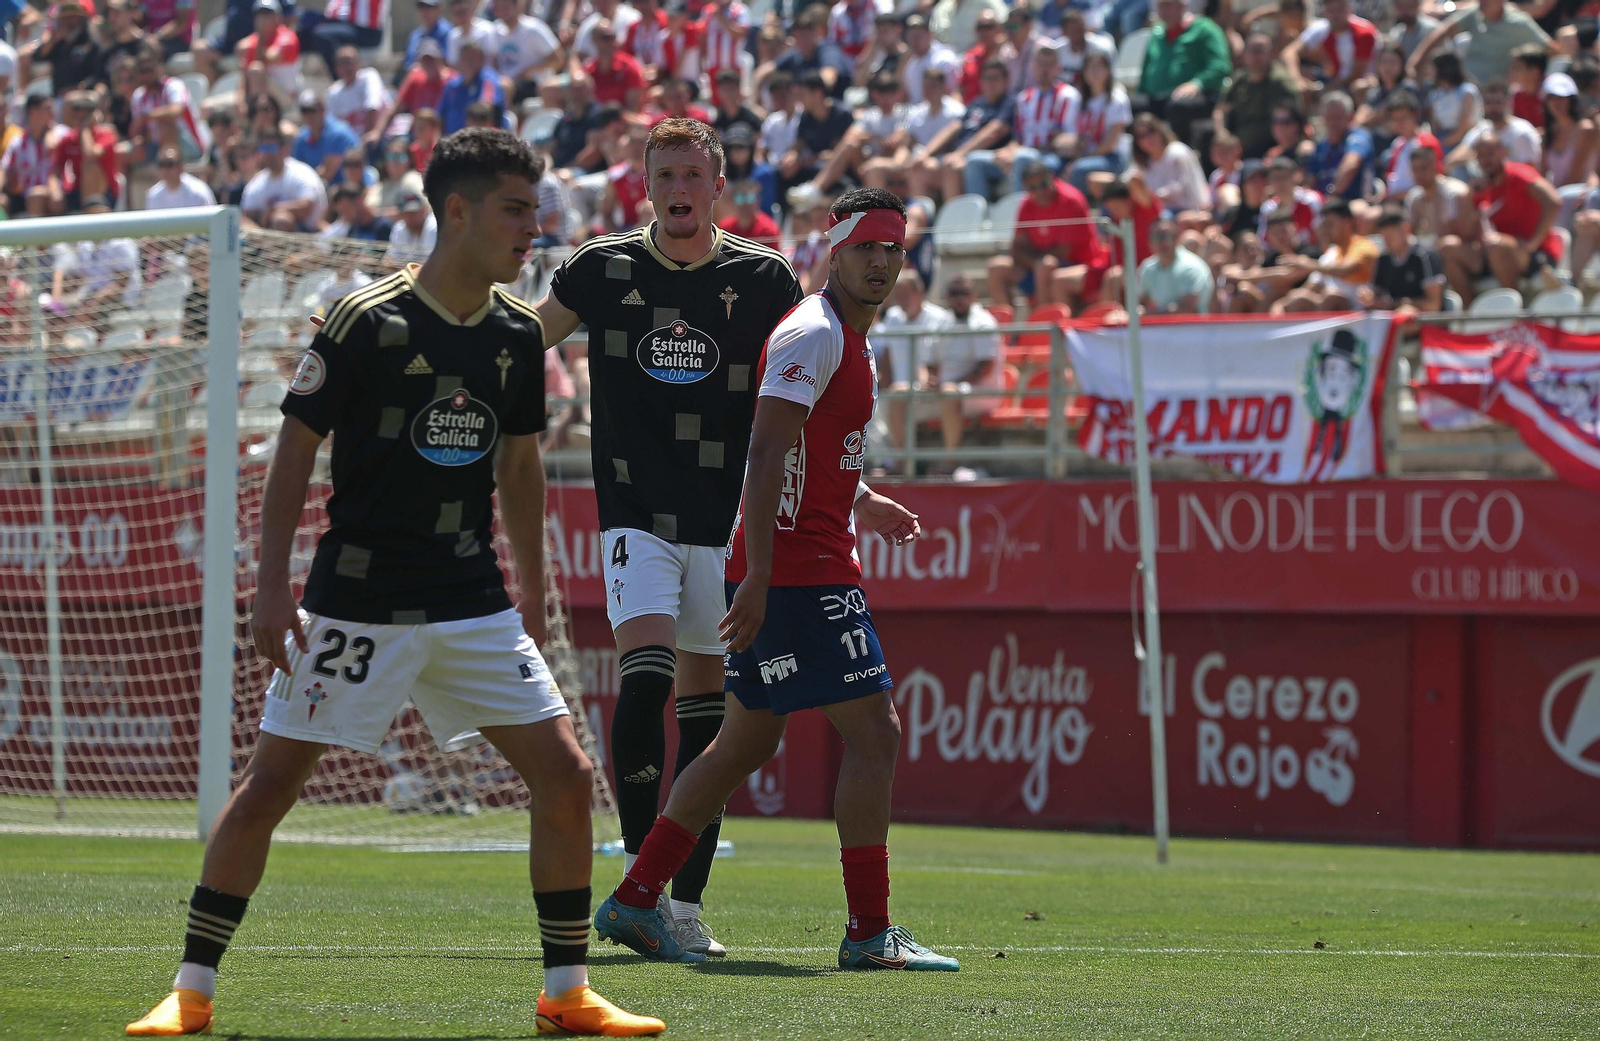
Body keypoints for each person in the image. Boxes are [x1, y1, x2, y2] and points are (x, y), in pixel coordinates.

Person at [124, 127, 665, 1041]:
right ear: (456, 212)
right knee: (269, 788)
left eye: (536, 211)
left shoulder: (514, 335)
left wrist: (530, 587)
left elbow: (521, 466)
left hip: (470, 597)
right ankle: (191, 989)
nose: (533, 229)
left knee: (567, 779)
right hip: (355, 599)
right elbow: (295, 446)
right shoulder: (363, 320)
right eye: (515, 210)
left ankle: (566, 992)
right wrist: (269, 586)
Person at [593, 188, 958, 975]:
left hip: (793, 566)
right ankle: (869, 930)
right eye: (867, 248)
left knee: (740, 743)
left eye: (894, 251)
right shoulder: (813, 332)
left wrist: (865, 496)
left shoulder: (842, 336)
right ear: (836, 252)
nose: (881, 263)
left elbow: (801, 453)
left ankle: (634, 895)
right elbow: (762, 454)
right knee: (876, 734)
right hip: (800, 572)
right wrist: (756, 575)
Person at [534, 119, 803, 961]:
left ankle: (677, 902)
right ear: (645, 186)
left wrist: (854, 486)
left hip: (724, 522)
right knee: (643, 681)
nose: (679, 186)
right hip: (635, 510)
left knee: (708, 716)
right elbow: (521, 338)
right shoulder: (601, 268)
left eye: (694, 172)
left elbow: (803, 392)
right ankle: (640, 887)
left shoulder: (764, 279)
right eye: (665, 174)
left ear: (718, 185)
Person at [885, 272, 1003, 477]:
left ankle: (950, 461)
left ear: (974, 296)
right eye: (955, 294)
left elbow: (985, 367)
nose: (960, 298)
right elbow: (930, 362)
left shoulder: (983, 322)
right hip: (946, 389)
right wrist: (929, 381)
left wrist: (948, 384)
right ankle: (901, 460)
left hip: (982, 392)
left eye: (964, 293)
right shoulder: (944, 322)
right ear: (947, 297)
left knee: (949, 393)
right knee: (897, 392)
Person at [1439, 134, 1562, 301]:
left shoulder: (1518, 174)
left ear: (1503, 152)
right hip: (1492, 252)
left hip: (1532, 253)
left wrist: (1532, 244)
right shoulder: (1481, 188)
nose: (1485, 159)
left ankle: (1515, 310)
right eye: (1480, 155)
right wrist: (1469, 197)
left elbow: (1553, 201)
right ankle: (1469, 313)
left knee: (1495, 244)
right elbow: (1466, 233)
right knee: (1448, 246)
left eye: (1490, 153)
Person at [988, 163, 1109, 309]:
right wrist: (1032, 260)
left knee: (1045, 265)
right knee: (997, 267)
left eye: (1043, 184)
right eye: (1033, 188)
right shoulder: (1027, 205)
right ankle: (1006, 329)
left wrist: (1032, 258)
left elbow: (1065, 252)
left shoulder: (1070, 201)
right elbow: (1017, 247)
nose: (1040, 191)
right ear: (1026, 188)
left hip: (1078, 266)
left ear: (1051, 178)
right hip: (1035, 264)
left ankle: (1042, 326)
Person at [1137, 0, 1231, 147]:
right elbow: (1146, 71)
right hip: (1160, 98)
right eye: (1161, 5)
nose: (1165, 10)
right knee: (1130, 105)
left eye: (1170, 5)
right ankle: (1142, 159)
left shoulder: (1205, 29)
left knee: (1178, 107)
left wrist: (1197, 84)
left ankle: (1182, 153)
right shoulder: (1157, 33)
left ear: (1183, 6)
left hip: (1200, 95)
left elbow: (1220, 66)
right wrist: (1140, 93)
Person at [1406, 0, 1554, 90]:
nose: (1482, 2)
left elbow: (1551, 49)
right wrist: (1416, 61)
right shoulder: (1475, 13)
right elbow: (1444, 31)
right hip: (1465, 88)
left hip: (1495, 94)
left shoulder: (1519, 24)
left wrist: (1521, 68)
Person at [1273, 199, 1378, 312]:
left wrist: (1307, 264)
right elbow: (1310, 289)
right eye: (1325, 225)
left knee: (1331, 297)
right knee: (1299, 298)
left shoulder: (1364, 246)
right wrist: (1281, 304)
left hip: (1357, 314)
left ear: (1347, 222)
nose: (1326, 230)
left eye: (1330, 224)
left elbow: (1344, 270)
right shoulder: (1331, 254)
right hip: (1329, 310)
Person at [1214, 33, 1298, 160]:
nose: (1256, 56)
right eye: (1252, 51)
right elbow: (1220, 110)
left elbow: (1294, 121)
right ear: (1244, 54)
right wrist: (1222, 134)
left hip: (1269, 145)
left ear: (1272, 53)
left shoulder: (1280, 82)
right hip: (1239, 144)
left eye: (1261, 51)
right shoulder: (1239, 79)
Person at [241, 123, 329, 232]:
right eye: (264, 148)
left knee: (281, 219)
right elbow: (247, 214)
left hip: (307, 234)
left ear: (284, 149)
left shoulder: (300, 172)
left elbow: (305, 208)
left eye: (272, 148)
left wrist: (272, 210)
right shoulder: (257, 182)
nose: (268, 153)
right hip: (267, 236)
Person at [1450, 79, 1541, 171]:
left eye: (1498, 102)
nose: (1493, 107)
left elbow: (1530, 170)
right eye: (1488, 102)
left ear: (1508, 103)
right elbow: (1459, 153)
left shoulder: (1522, 132)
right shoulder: (1483, 128)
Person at [1372, 207, 1444, 314]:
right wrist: (1371, 298)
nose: (1386, 241)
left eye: (1390, 236)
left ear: (1405, 229)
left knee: (1406, 313)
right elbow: (1377, 293)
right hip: (1393, 319)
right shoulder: (1383, 259)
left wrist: (1397, 304)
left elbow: (1433, 305)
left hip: (1426, 324)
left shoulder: (1425, 256)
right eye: (1384, 237)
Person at [1305, 92, 1373, 203]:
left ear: (1350, 117)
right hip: (1324, 204)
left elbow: (1351, 164)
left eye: (1338, 117)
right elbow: (1311, 180)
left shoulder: (1358, 137)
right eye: (1329, 117)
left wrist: (1333, 195)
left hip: (1352, 202)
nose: (1333, 122)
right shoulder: (1321, 146)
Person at [1137, 219, 1213, 313]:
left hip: (1193, 326)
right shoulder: (1147, 268)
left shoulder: (1191, 267)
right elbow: (1142, 303)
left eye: (1166, 236)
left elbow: (1186, 310)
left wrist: (1151, 314)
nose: (1162, 242)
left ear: (1177, 239)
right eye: (1157, 237)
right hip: (1160, 326)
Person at [1402, 143, 1471, 245]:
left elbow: (1452, 232)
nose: (1419, 174)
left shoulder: (1453, 192)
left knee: (1448, 243)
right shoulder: (1413, 197)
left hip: (1459, 247)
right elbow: (1410, 230)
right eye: (1415, 169)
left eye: (1424, 168)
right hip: (1431, 248)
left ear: (1435, 166)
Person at [1539, 73, 1597, 189]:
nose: (1556, 103)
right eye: (1551, 98)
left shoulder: (1585, 129)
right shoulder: (1547, 134)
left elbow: (1576, 175)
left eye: (1561, 97)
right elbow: (1542, 174)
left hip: (1581, 195)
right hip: (1557, 196)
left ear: (1571, 100)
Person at [292, 90, 361, 183]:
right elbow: (296, 169)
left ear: (323, 109)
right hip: (322, 187)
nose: (308, 115)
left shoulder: (337, 133)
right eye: (305, 111)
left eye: (312, 110)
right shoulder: (302, 137)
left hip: (349, 188)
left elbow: (327, 173)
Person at [441, 39, 507, 135]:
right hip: (452, 140)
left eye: (473, 58)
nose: (469, 62)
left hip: (481, 139)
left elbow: (484, 109)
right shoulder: (452, 85)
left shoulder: (489, 80)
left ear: (482, 60)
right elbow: (440, 115)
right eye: (466, 58)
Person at [326, 46, 385, 139]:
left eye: (350, 62)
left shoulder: (369, 77)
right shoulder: (334, 92)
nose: (347, 67)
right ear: (337, 68)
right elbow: (332, 125)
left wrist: (362, 145)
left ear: (358, 63)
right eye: (343, 63)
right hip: (354, 143)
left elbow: (372, 111)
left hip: (383, 134)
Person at [146, 146, 217, 209]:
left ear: (181, 167)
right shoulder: (153, 195)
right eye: (161, 165)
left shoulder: (197, 192)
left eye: (169, 164)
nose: (165, 169)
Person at [718, 178, 781, 247]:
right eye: (740, 198)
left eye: (750, 198)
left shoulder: (768, 230)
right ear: (733, 201)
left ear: (758, 201)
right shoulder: (725, 229)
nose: (745, 204)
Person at [386, 189, 438, 265]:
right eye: (407, 213)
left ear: (424, 210)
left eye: (414, 212)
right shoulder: (399, 229)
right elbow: (391, 260)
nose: (411, 217)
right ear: (400, 215)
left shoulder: (434, 227)